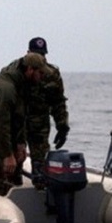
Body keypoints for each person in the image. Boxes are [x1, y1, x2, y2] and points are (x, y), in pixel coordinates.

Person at [0, 52, 51, 196]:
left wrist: (20, 143)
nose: (42, 77)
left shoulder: (23, 85)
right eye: (41, 73)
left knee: (14, 174)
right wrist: (7, 155)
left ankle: (16, 201)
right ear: (30, 70)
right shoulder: (6, 89)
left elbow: (20, 117)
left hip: (4, 133)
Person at [26, 37, 70, 187]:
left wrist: (62, 126)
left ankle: (42, 189)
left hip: (39, 125)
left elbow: (58, 102)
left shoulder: (52, 74)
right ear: (28, 53)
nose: (40, 58)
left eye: (42, 55)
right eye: (36, 54)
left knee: (40, 164)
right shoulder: (20, 72)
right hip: (17, 123)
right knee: (12, 161)